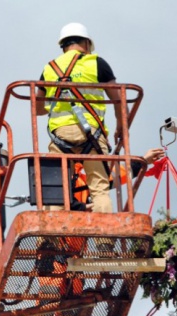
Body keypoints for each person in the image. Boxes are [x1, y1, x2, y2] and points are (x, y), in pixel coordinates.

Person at [36, 22, 125, 213]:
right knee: (99, 189)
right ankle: (104, 242)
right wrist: (121, 127)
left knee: (56, 190)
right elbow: (118, 99)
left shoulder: (49, 68)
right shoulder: (96, 63)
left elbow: (37, 107)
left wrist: (55, 102)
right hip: (91, 134)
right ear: (86, 43)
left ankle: (52, 239)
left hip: (59, 135)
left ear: (63, 45)